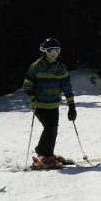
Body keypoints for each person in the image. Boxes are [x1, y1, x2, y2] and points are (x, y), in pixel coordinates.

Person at [23, 38, 77, 168]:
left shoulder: (61, 67)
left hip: (53, 104)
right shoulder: (36, 66)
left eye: (57, 50)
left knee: (53, 129)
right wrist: (31, 90)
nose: (54, 53)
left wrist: (71, 106)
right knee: (50, 127)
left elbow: (67, 88)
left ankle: (48, 154)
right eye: (51, 50)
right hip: (39, 104)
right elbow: (26, 84)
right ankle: (42, 154)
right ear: (44, 51)